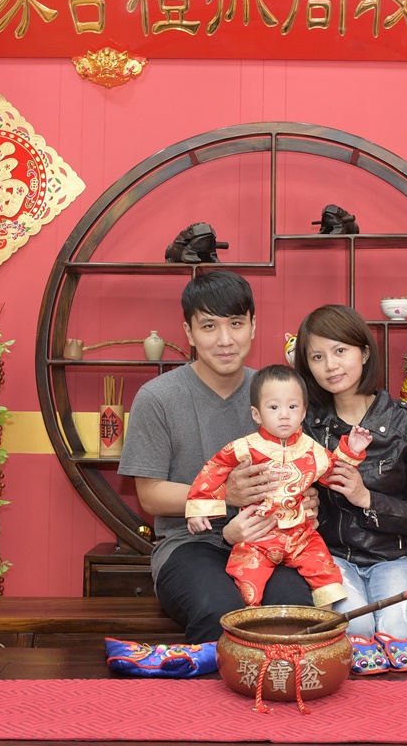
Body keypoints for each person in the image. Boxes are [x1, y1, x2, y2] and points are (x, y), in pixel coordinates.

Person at [118, 270, 319, 643]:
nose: (225, 340)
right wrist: (225, 494)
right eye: (209, 326)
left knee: (291, 611)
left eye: (236, 324)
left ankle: (278, 683)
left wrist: (306, 495)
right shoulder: (158, 397)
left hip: (271, 539)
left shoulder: (278, 392)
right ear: (189, 332)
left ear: (253, 326)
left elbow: (302, 462)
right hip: (189, 544)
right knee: (219, 613)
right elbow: (150, 496)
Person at [293, 304, 407, 664]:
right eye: (317, 356)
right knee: (355, 629)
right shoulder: (305, 425)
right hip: (331, 557)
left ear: (364, 353)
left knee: (397, 634)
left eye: (340, 351)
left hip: (396, 558)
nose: (330, 365)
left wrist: (367, 498)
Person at [185, 364, 372, 608]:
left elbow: (334, 475)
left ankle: (322, 625)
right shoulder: (245, 447)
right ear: (256, 414)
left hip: (301, 537)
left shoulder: (312, 450)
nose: (284, 415)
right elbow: (214, 469)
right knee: (247, 585)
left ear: (303, 412)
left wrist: (352, 450)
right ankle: (250, 625)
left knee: (326, 575)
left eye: (292, 407)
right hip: (257, 537)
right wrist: (199, 509)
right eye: (274, 407)